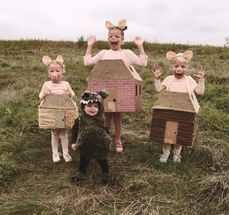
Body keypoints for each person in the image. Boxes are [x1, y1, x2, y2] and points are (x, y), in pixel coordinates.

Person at [83, 19, 148, 152]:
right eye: (111, 36)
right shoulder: (103, 53)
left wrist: (140, 46)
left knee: (117, 117)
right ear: (108, 39)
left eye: (117, 36)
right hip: (105, 91)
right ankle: (105, 139)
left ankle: (118, 140)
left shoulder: (127, 54)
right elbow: (87, 63)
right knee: (105, 117)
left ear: (122, 40)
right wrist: (90, 46)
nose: (113, 38)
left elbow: (142, 63)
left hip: (120, 91)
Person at [152, 50, 206, 163]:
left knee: (181, 130)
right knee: (169, 130)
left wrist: (201, 80)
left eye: (182, 66)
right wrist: (157, 79)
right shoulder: (169, 79)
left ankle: (177, 153)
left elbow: (200, 92)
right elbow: (158, 89)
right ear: (172, 67)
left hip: (185, 110)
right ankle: (166, 152)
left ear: (187, 68)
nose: (179, 69)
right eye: (176, 66)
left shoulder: (189, 80)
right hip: (170, 109)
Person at [39, 55, 75, 163]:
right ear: (48, 73)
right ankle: (55, 152)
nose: (55, 73)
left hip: (63, 112)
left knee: (63, 133)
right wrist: (44, 94)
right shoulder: (47, 84)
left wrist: (69, 93)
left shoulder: (65, 84)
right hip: (51, 112)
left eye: (57, 70)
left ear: (63, 72)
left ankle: (65, 152)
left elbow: (72, 94)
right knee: (54, 132)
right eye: (52, 71)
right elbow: (40, 96)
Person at [71, 90, 111, 184]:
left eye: (95, 106)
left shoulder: (101, 119)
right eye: (89, 106)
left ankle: (106, 174)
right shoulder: (80, 119)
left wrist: (107, 140)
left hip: (99, 144)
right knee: (84, 160)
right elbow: (75, 130)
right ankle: (81, 174)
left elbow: (106, 130)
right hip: (85, 144)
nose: (92, 109)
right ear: (83, 107)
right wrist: (73, 141)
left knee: (102, 160)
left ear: (100, 108)